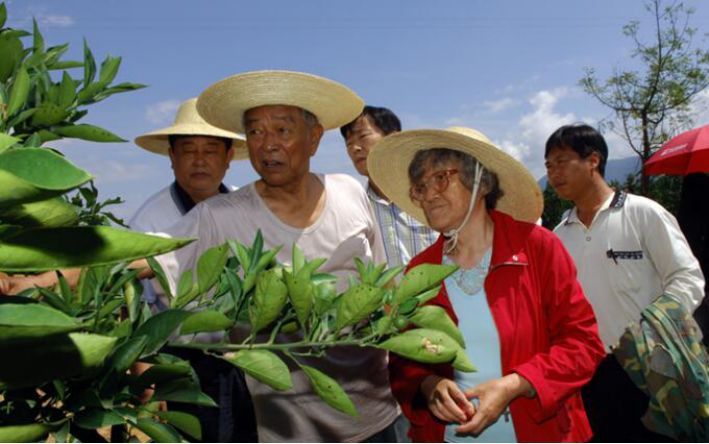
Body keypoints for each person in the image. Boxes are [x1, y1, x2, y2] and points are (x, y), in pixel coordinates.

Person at [152, 70, 400, 442]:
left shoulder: (349, 192)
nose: (267, 145)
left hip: (376, 418)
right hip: (288, 431)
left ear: (314, 138)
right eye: (255, 132)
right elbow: (146, 255)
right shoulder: (220, 216)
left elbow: (384, 286)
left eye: (282, 131)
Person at [368, 126, 605, 442]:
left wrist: (516, 384)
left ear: (481, 182)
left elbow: (583, 343)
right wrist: (428, 385)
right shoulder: (421, 269)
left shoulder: (537, 248)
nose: (429, 194)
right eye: (420, 187)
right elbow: (403, 359)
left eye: (441, 178)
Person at [544, 123, 706, 441]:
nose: (553, 173)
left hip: (652, 369)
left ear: (593, 161)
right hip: (588, 372)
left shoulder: (643, 213)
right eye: (548, 166)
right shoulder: (558, 235)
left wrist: (654, 328)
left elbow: (688, 276)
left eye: (561, 161)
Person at [130, 97, 258, 443]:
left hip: (244, 360)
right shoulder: (150, 223)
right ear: (172, 156)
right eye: (188, 150)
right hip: (180, 363)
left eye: (211, 150)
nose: (199, 160)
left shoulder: (245, 207)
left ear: (229, 157)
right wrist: (146, 373)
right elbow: (135, 307)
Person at [340, 106, 437, 269]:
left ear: (393, 138)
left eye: (363, 136)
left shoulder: (433, 196)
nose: (354, 148)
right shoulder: (354, 211)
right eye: (348, 144)